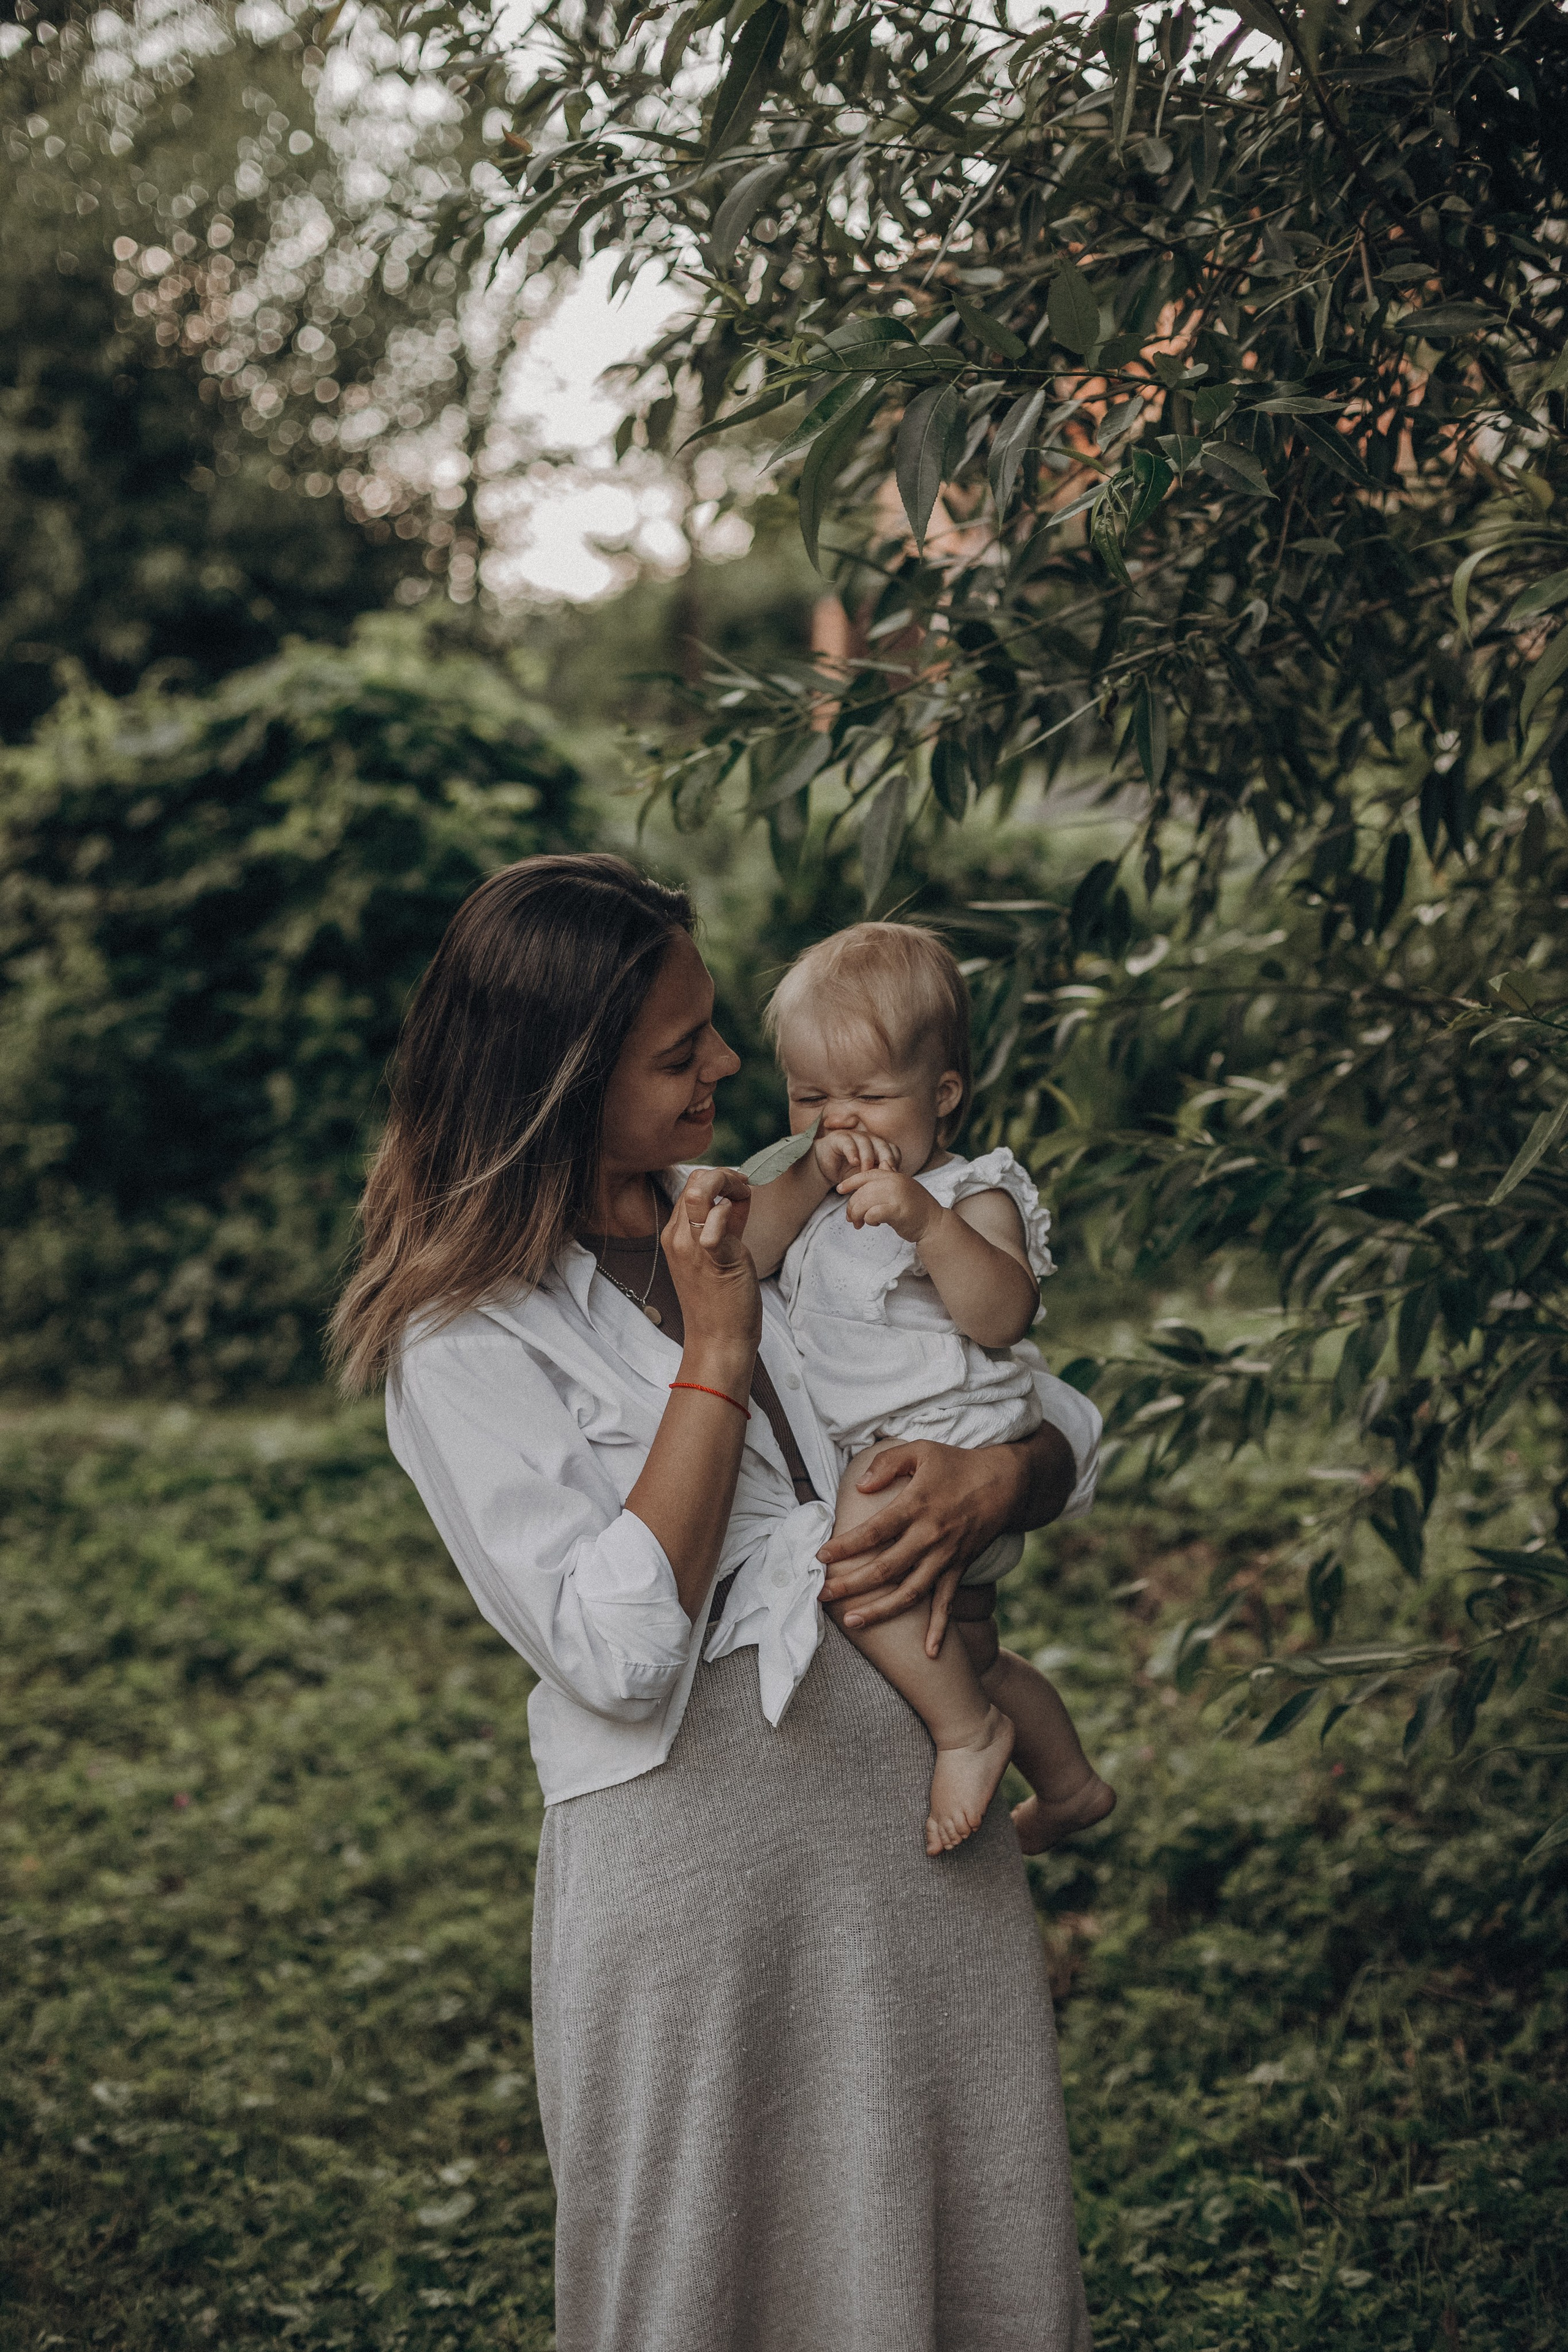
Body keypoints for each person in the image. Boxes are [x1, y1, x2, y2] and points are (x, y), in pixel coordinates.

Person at [331, 853, 1098, 2352]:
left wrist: (1000, 1481)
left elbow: (1042, 1405)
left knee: (956, 2256)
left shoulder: (766, 1206)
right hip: (702, 1886)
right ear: (564, 1082)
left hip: (916, 1850)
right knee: (703, 2285)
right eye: (681, 1052)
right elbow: (617, 1653)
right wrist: (715, 1354)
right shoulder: (467, 1339)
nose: (733, 1068)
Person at [738, 921, 1116, 1858]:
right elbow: (745, 1260)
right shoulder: (813, 1198)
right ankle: (1070, 1788)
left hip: (951, 1436)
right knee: (973, 1648)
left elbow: (1003, 1315)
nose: (841, 1122)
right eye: (810, 1099)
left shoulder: (971, 1192)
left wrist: (928, 1225)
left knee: (850, 1561)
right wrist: (804, 1178)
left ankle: (968, 1734)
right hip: (891, 1444)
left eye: (869, 1097)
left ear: (942, 1095)